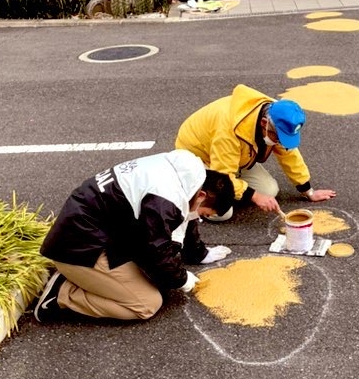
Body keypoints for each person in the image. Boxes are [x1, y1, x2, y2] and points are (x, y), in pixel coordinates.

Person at [34, 149, 234, 324]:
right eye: (205, 213)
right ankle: (62, 294)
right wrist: (181, 279)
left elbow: (182, 221)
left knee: (157, 279)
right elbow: (156, 248)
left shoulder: (183, 174)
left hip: (94, 233)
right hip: (77, 249)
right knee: (147, 304)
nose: (199, 218)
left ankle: (88, 279)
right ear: (202, 196)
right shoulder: (165, 198)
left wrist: (199, 254)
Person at [174, 84, 336, 220]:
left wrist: (308, 191)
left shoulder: (277, 116)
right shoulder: (229, 128)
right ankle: (190, 192)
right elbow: (221, 174)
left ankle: (237, 188)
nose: (280, 142)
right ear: (264, 123)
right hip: (198, 157)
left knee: (269, 190)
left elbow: (290, 154)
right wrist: (254, 196)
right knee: (222, 213)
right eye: (278, 137)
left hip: (234, 157)